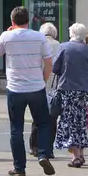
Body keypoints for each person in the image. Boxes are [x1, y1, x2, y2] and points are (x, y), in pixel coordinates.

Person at [0, 6, 55, 176]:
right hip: (37, 87)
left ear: (12, 21)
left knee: (16, 128)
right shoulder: (39, 37)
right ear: (28, 20)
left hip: (15, 89)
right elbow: (49, 63)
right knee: (43, 123)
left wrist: (7, 34)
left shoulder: (7, 36)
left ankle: (20, 168)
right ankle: (42, 154)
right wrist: (43, 80)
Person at [51, 23, 88, 168]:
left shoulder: (64, 47)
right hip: (86, 91)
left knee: (70, 121)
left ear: (71, 33)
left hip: (68, 88)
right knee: (81, 120)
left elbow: (56, 67)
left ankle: (76, 157)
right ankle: (81, 154)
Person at [31, 21, 62, 158]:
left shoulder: (38, 44)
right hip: (55, 87)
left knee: (37, 118)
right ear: (54, 33)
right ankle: (48, 149)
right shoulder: (60, 46)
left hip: (38, 84)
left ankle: (35, 147)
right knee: (52, 119)